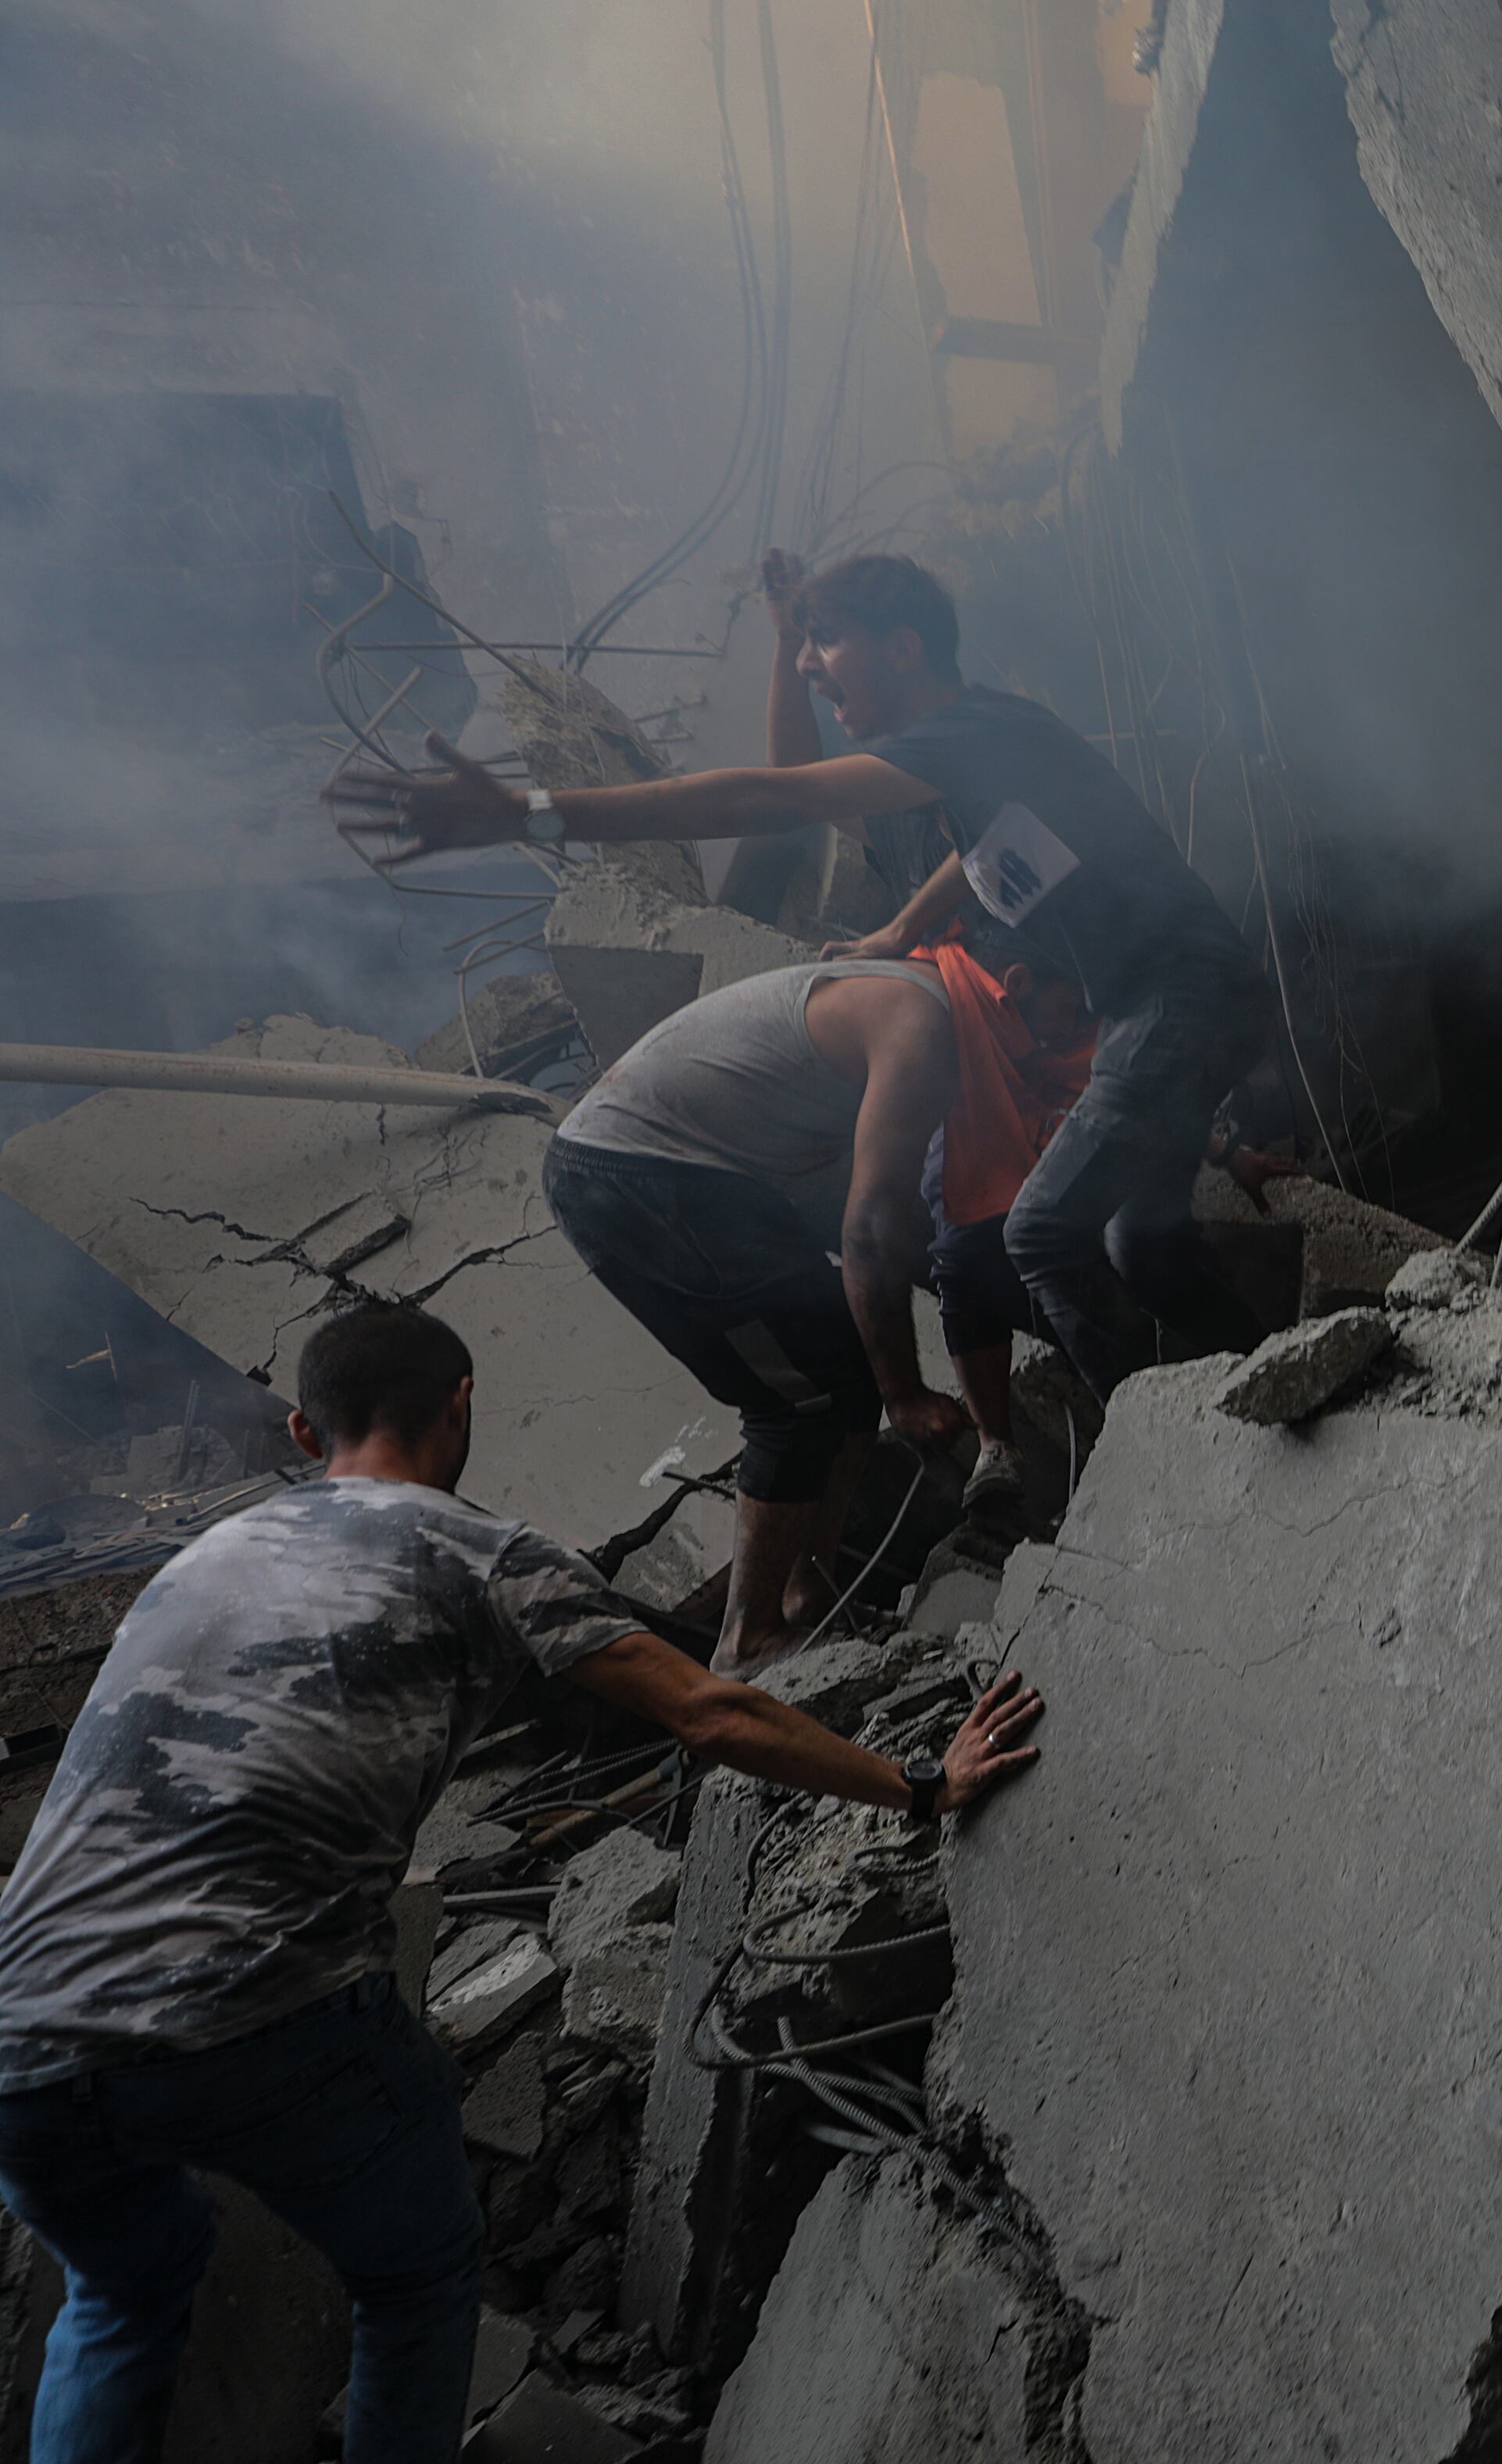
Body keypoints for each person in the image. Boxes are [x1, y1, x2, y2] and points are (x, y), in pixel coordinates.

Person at [0, 1302, 1042, 2464]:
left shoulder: (192, 1562)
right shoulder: (479, 1553)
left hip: (26, 2037)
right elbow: (710, 1712)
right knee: (417, 2273)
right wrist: (921, 1784)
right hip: (256, 2003)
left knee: (124, 2286)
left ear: (304, 1433)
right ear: (461, 1402)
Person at [327, 550, 1268, 1395]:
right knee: (1139, 1242)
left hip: (1181, 998)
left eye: (826, 640)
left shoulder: (976, 733)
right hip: (1158, 1007)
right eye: (804, 645)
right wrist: (896, 929)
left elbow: (768, 796)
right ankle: (1285, 1385)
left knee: (1041, 1235)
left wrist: (531, 811)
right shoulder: (967, 773)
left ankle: (1162, 1443)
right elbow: (950, 842)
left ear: (904, 648)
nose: (811, 664)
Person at [544, 955, 967, 1669]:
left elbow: (896, 1220)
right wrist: (906, 1396)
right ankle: (746, 1639)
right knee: (795, 1398)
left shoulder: (913, 992)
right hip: (634, 1179)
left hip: (703, 1176)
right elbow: (870, 1233)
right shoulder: (921, 1027)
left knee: (845, 1366)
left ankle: (809, 1595)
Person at [910, 916, 1098, 1516]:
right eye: (1065, 1007)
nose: (1070, 1022)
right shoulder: (948, 1011)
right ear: (1016, 985)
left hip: (1073, 1223)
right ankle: (996, 1447)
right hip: (981, 1220)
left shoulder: (1066, 1046)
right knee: (962, 1259)